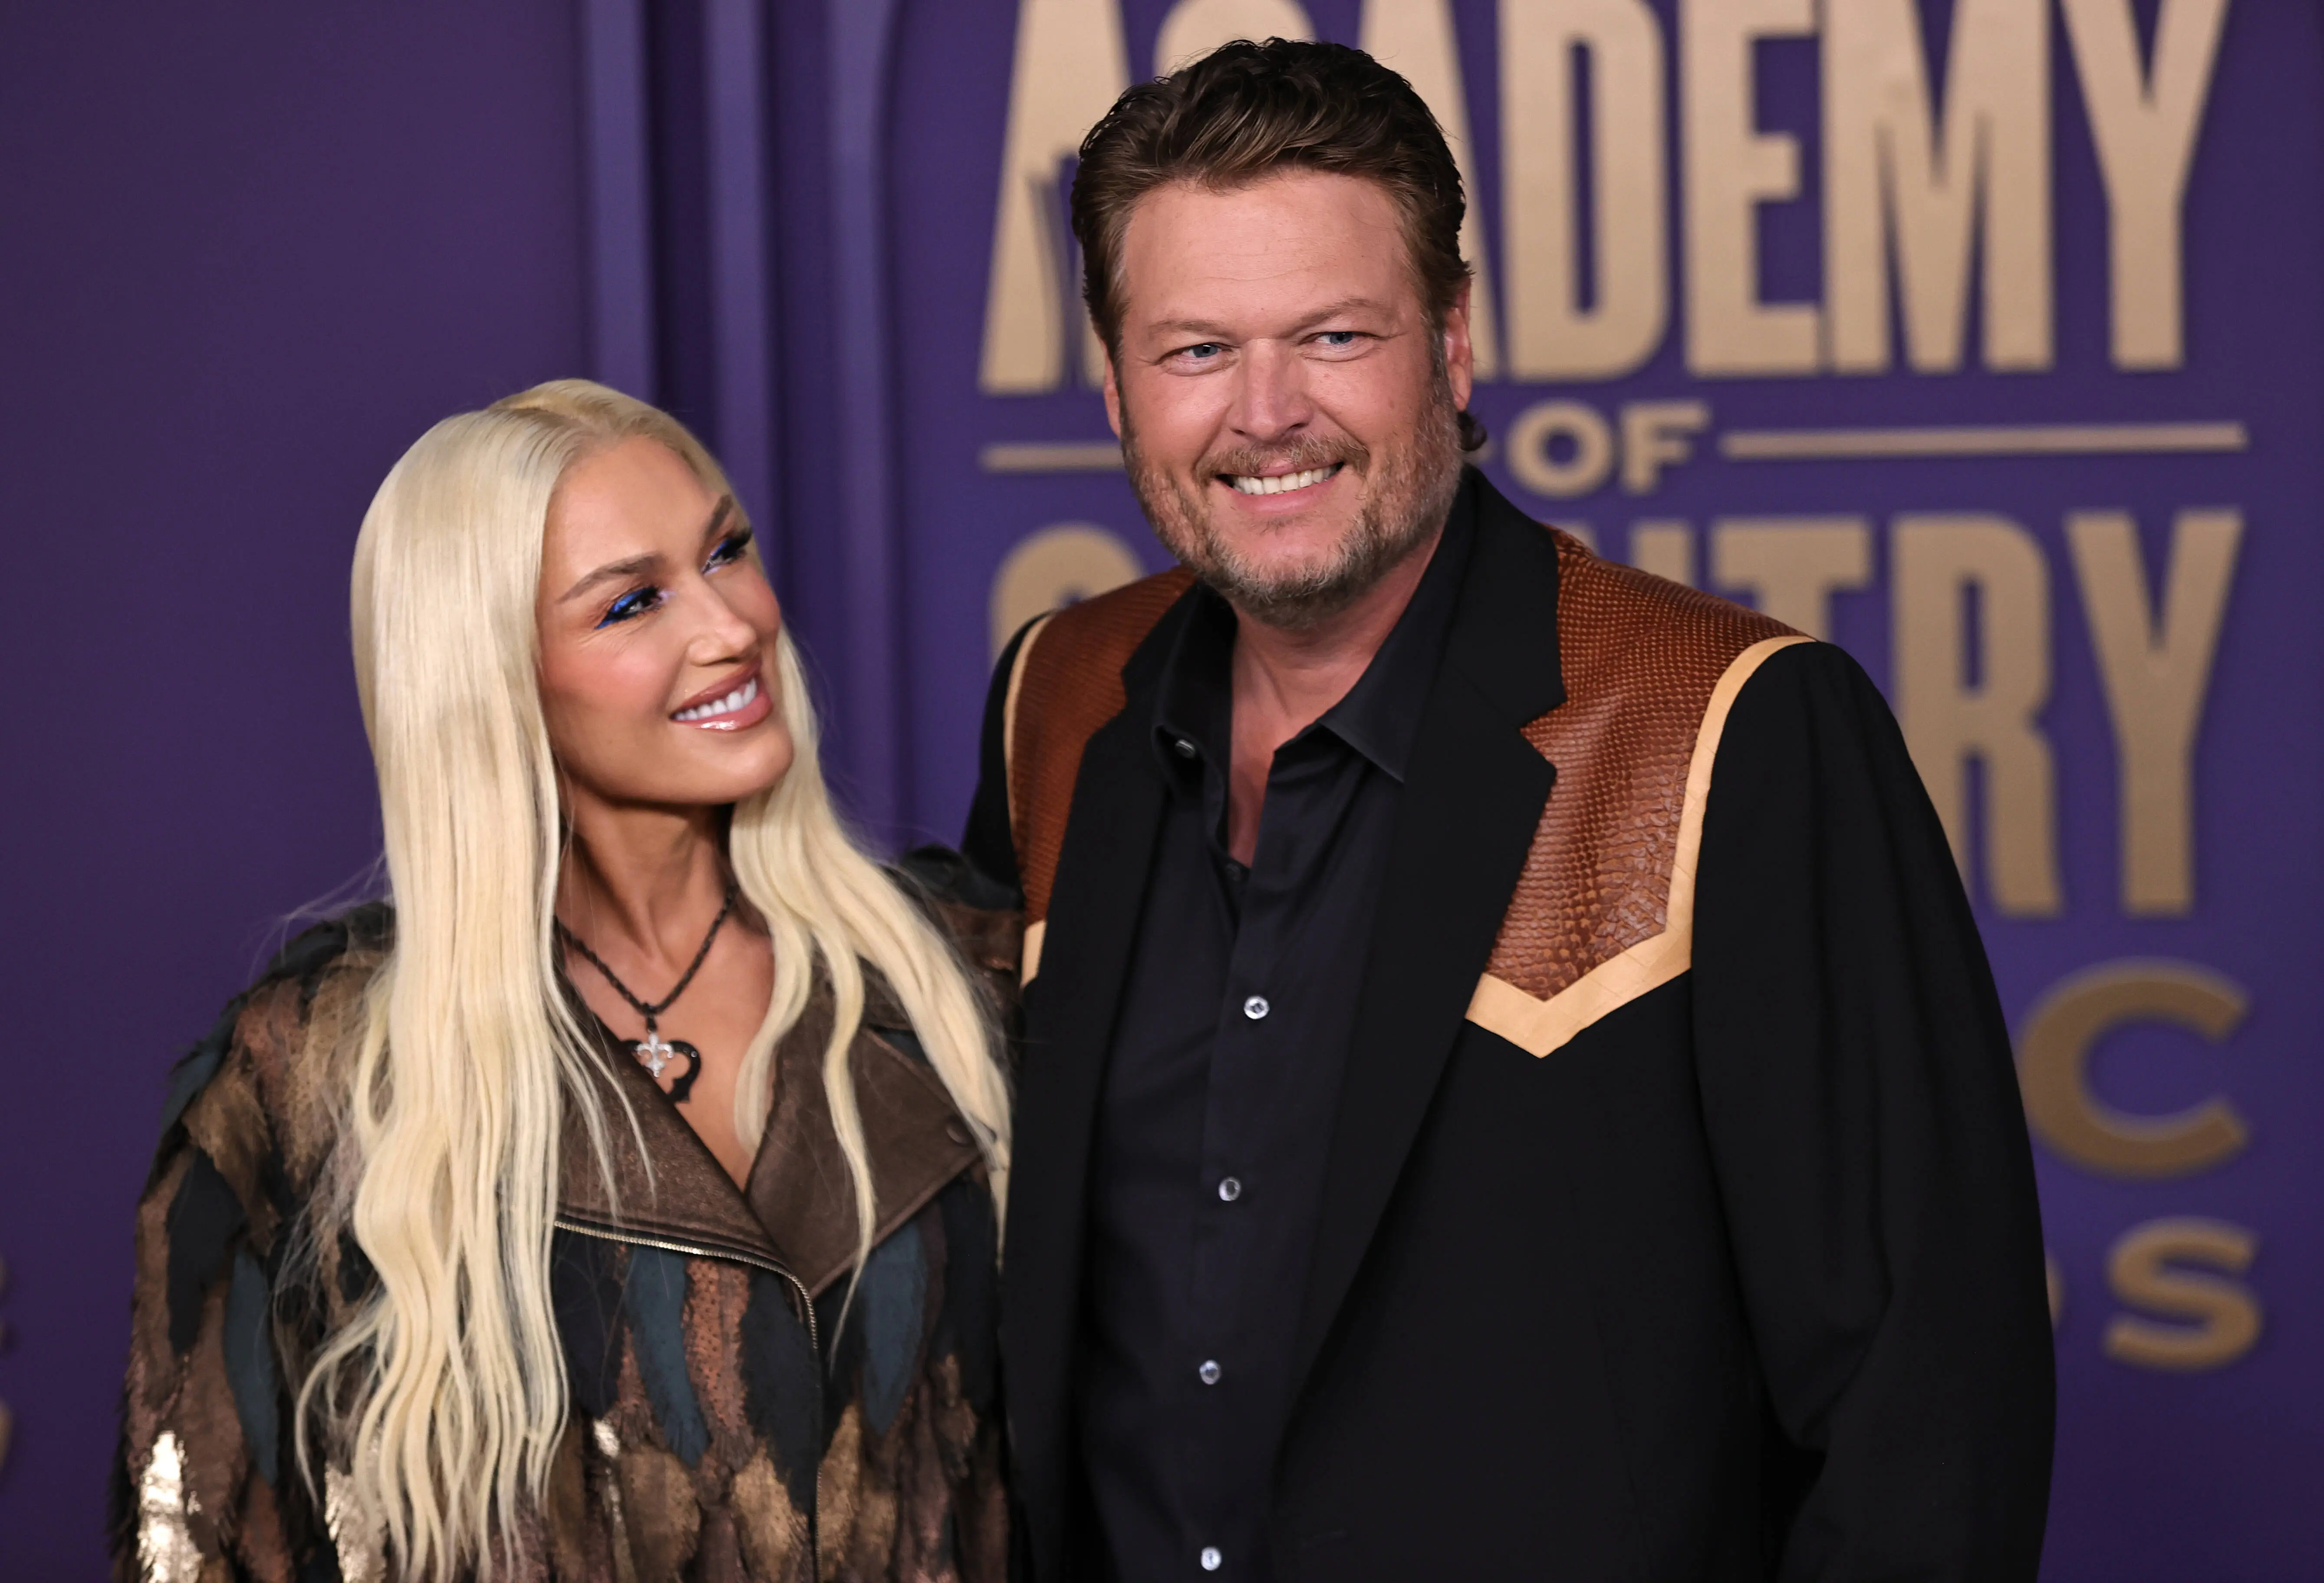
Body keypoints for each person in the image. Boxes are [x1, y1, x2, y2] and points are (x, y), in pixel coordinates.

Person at [963, 39, 2054, 1583]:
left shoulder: (1734, 725)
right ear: (1118, 384)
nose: (1266, 414)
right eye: (1196, 350)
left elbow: (1929, 1414)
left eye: (1334, 335)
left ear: (1454, 345)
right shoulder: (1058, 698)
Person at [115, 381, 1017, 1582]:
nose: (732, 623)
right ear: (492, 679)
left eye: (728, 551)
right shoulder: (309, 1078)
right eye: (634, 602)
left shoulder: (959, 975)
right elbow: (199, 1544)